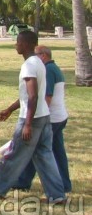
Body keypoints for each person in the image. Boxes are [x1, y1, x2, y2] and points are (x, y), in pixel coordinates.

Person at [0, 30, 66, 203]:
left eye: (17, 42)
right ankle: (57, 196)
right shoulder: (39, 63)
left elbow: (33, 96)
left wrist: (27, 124)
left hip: (32, 119)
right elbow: (29, 95)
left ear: (25, 44)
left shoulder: (29, 66)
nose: (15, 45)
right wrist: (10, 109)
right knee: (44, 156)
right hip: (44, 117)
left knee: (14, 153)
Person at [13, 45, 71, 193]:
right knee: (55, 152)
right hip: (59, 116)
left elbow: (47, 97)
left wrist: (37, 117)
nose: (34, 57)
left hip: (51, 117)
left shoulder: (49, 70)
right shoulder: (52, 68)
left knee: (37, 151)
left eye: (36, 54)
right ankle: (64, 184)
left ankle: (23, 182)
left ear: (44, 55)